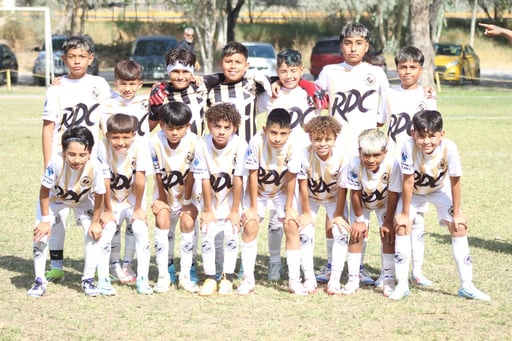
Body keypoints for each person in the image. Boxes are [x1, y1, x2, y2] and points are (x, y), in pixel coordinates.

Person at [314, 22, 390, 286]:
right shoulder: (329, 71)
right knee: (334, 210)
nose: (353, 47)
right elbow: (315, 101)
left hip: (363, 154)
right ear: (341, 45)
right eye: (348, 42)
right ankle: (331, 263)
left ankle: (359, 267)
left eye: (359, 43)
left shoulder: (376, 74)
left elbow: (381, 118)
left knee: (362, 211)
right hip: (336, 152)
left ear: (367, 46)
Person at [391, 110, 491, 301]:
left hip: (438, 189)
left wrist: (457, 211)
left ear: (441, 135)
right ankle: (402, 284)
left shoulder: (450, 148)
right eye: (421, 136)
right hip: (415, 193)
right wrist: (404, 213)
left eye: (432, 136)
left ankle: (467, 285)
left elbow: (455, 180)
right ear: (413, 134)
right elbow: (408, 181)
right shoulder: (407, 146)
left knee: (459, 226)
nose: (426, 141)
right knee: (403, 227)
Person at [41, 36, 111, 284]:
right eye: (72, 56)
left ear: (91, 59)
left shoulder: (100, 84)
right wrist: (49, 162)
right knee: (56, 215)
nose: (77, 61)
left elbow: (107, 121)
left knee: (93, 215)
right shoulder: (57, 87)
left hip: (89, 162)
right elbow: (48, 127)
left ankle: (95, 270)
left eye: (82, 56)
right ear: (64, 59)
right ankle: (57, 265)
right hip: (63, 159)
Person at [257, 48, 321, 281]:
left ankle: (306, 269)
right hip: (275, 165)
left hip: (303, 162)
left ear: (301, 70)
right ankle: (275, 263)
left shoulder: (310, 94)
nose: (288, 76)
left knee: (299, 220)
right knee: (276, 220)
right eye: (283, 71)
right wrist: (268, 82)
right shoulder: (270, 95)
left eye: (293, 70)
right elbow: (249, 104)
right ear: (277, 72)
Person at [28, 126, 115, 297]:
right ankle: (39, 280)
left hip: (82, 202)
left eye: (82, 155)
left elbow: (99, 195)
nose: (77, 159)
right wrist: (45, 220)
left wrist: (96, 222)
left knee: (93, 233)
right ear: (64, 152)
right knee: (40, 234)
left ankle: (88, 279)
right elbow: (44, 191)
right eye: (72, 154)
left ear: (90, 152)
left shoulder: (95, 166)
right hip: (55, 200)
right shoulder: (56, 161)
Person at [380, 46, 437, 288]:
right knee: (390, 217)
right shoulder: (389, 94)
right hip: (393, 163)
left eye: (413, 67)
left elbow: (431, 132)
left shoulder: (427, 97)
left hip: (416, 166)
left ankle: (418, 270)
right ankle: (387, 271)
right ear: (397, 69)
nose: (407, 71)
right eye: (403, 67)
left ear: (421, 70)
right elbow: (380, 123)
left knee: (417, 220)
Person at [238, 108, 306, 295]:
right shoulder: (256, 142)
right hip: (258, 191)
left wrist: (289, 207)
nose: (277, 138)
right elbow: (252, 174)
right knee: (250, 224)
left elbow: (292, 176)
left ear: (289, 133)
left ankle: (294, 280)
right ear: (265, 129)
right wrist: (252, 207)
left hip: (281, 191)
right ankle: (248, 279)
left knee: (291, 225)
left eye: (283, 134)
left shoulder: (295, 145)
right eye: (273, 133)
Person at [98, 60, 151, 284]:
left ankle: (128, 263)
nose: (127, 88)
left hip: (137, 163)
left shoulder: (146, 103)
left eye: (132, 83)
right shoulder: (106, 105)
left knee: (134, 219)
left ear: (139, 83)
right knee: (113, 222)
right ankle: (113, 264)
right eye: (122, 83)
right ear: (115, 82)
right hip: (112, 164)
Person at [336, 128, 400, 296]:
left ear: (385, 152)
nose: (371, 160)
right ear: (360, 152)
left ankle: (388, 279)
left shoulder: (392, 165)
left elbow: (394, 194)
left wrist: (388, 221)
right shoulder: (354, 163)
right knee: (356, 235)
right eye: (367, 155)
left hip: (385, 204)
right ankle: (353, 278)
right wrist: (359, 219)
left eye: (376, 155)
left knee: (388, 235)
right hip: (362, 204)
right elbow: (354, 193)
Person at [192, 103, 247, 296]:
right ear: (209, 125)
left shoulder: (240, 145)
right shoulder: (201, 145)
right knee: (207, 232)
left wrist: (234, 210)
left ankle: (227, 278)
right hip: (210, 198)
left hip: (232, 198)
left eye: (226, 127)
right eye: (217, 126)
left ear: (234, 128)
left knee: (232, 232)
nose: (221, 131)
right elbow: (204, 179)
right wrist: (207, 210)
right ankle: (209, 277)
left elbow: (238, 178)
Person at [98, 113, 153, 295]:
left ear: (133, 135)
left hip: (131, 199)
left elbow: (140, 179)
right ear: (107, 136)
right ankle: (104, 278)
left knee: (140, 229)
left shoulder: (141, 147)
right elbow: (104, 180)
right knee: (108, 229)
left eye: (125, 137)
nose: (120, 142)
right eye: (115, 137)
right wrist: (106, 210)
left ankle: (143, 279)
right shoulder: (102, 147)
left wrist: (138, 209)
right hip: (110, 198)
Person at [150, 101, 200, 293]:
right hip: (165, 192)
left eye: (179, 128)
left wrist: (187, 202)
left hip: (188, 194)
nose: (174, 133)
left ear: (188, 126)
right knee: (163, 220)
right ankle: (164, 273)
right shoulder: (154, 142)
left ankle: (187, 274)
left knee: (188, 223)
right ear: (162, 124)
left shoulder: (195, 142)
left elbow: (191, 175)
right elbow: (156, 172)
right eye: (170, 128)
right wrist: (161, 198)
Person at [296, 116, 346, 295]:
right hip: (310, 198)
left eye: (327, 139)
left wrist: (338, 214)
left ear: (335, 139)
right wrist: (306, 213)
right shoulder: (302, 154)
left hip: (333, 198)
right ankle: (309, 278)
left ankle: (335, 279)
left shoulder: (342, 157)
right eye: (317, 139)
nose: (322, 143)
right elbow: (301, 186)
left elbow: (342, 188)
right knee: (305, 231)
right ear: (310, 138)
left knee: (341, 231)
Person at [203, 41, 271, 144]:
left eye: (238, 62)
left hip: (247, 152)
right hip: (219, 153)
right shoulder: (211, 90)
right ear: (221, 64)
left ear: (246, 66)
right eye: (228, 61)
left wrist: (276, 83)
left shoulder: (253, 84)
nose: (233, 66)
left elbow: (282, 80)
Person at [148, 47, 208, 136]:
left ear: (192, 73)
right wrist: (154, 109)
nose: (180, 77)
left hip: (196, 148)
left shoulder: (200, 86)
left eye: (185, 71)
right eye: (175, 71)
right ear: (168, 72)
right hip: (171, 148)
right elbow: (147, 129)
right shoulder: (161, 93)